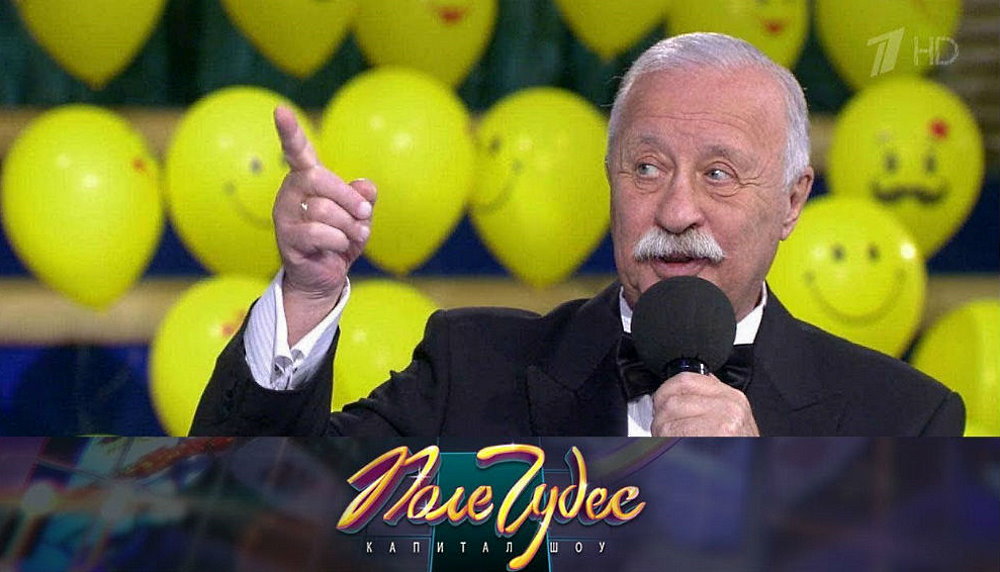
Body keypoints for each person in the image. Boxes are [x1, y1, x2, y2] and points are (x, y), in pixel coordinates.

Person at [191, 33, 964, 437]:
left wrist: (762, 497)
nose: (677, 211)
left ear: (793, 201)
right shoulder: (469, 370)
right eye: (647, 168)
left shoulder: (901, 418)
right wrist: (308, 292)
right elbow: (243, 519)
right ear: (610, 179)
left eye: (720, 174)